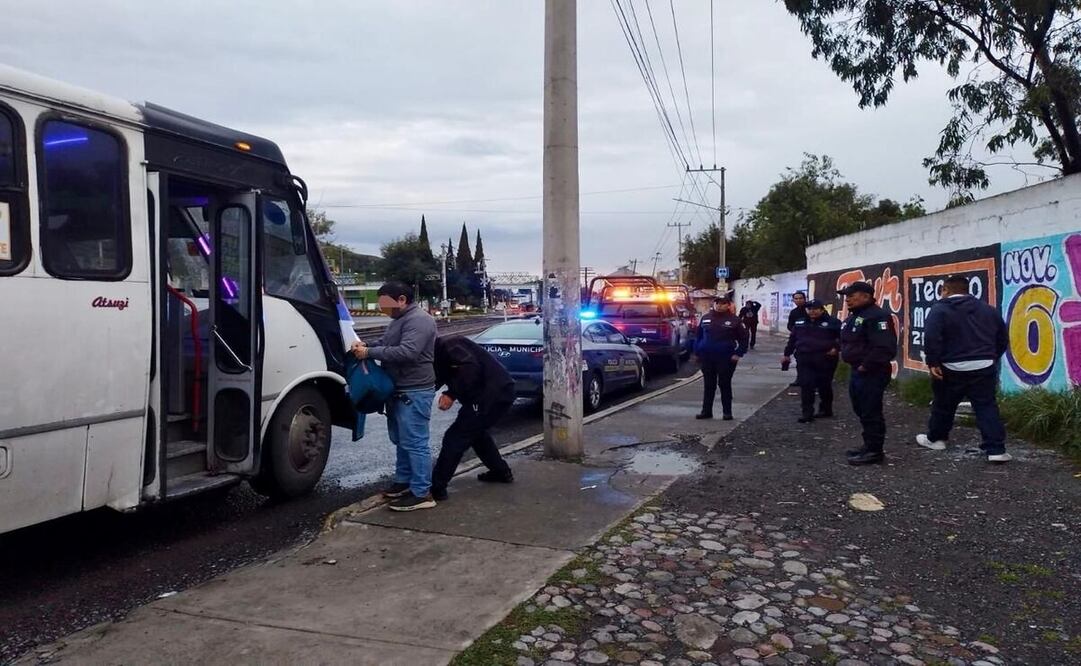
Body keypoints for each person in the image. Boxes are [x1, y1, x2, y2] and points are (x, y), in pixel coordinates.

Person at [352, 281, 438, 511]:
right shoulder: (399, 319)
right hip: (399, 389)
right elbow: (386, 343)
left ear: (401, 299)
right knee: (401, 440)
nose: (383, 309)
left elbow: (408, 352)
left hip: (414, 390)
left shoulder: (419, 320)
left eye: (385, 304)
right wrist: (367, 345)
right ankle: (404, 482)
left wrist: (369, 352)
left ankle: (422, 493)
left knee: (415, 443)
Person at [917, 275, 1011, 463]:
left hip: (950, 367)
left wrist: (933, 362)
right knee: (986, 406)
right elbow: (1002, 337)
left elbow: (932, 337)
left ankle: (936, 439)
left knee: (943, 405)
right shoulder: (988, 309)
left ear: (945, 290)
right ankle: (996, 450)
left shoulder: (939, 310)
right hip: (983, 366)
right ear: (967, 290)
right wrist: (991, 357)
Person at [430, 335, 516, 500]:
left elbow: (469, 368)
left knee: (455, 437)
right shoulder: (439, 352)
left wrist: (451, 393)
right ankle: (501, 472)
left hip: (491, 395)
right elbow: (440, 376)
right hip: (494, 393)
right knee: (477, 434)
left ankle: (436, 488)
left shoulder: (450, 345)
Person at [837, 281, 898, 465]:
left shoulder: (877, 316)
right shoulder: (855, 316)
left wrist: (866, 365)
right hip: (857, 370)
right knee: (861, 409)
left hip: (872, 371)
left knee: (871, 410)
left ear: (865, 296)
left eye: (851, 295)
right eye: (846, 296)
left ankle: (875, 451)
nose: (847, 299)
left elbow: (884, 347)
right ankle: (868, 444)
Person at [783, 299, 841, 423]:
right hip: (805, 358)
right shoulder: (800, 322)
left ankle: (825, 409)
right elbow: (792, 340)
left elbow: (844, 338)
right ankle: (807, 413)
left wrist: (836, 348)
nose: (812, 311)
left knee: (824, 385)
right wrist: (787, 354)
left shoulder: (833, 322)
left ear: (822, 309)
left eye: (815, 309)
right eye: (809, 309)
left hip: (825, 358)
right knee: (806, 385)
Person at [694, 296, 749, 421]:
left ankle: (727, 412)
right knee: (709, 385)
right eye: (717, 303)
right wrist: (697, 352)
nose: (719, 306)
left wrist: (738, 353)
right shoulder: (706, 318)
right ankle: (706, 411)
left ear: (728, 305)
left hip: (726, 358)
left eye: (723, 303)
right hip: (707, 357)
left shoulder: (735, 320)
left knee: (724, 384)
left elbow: (744, 339)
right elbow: (698, 336)